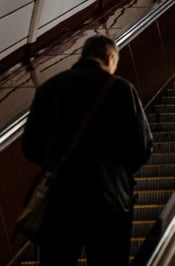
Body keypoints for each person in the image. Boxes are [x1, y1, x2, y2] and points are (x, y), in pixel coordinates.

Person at [21, 35, 153, 266]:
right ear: (110, 57)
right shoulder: (122, 89)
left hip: (60, 200)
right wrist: (117, 173)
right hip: (108, 202)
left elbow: (29, 146)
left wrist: (55, 162)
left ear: (83, 55)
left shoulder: (49, 89)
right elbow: (142, 146)